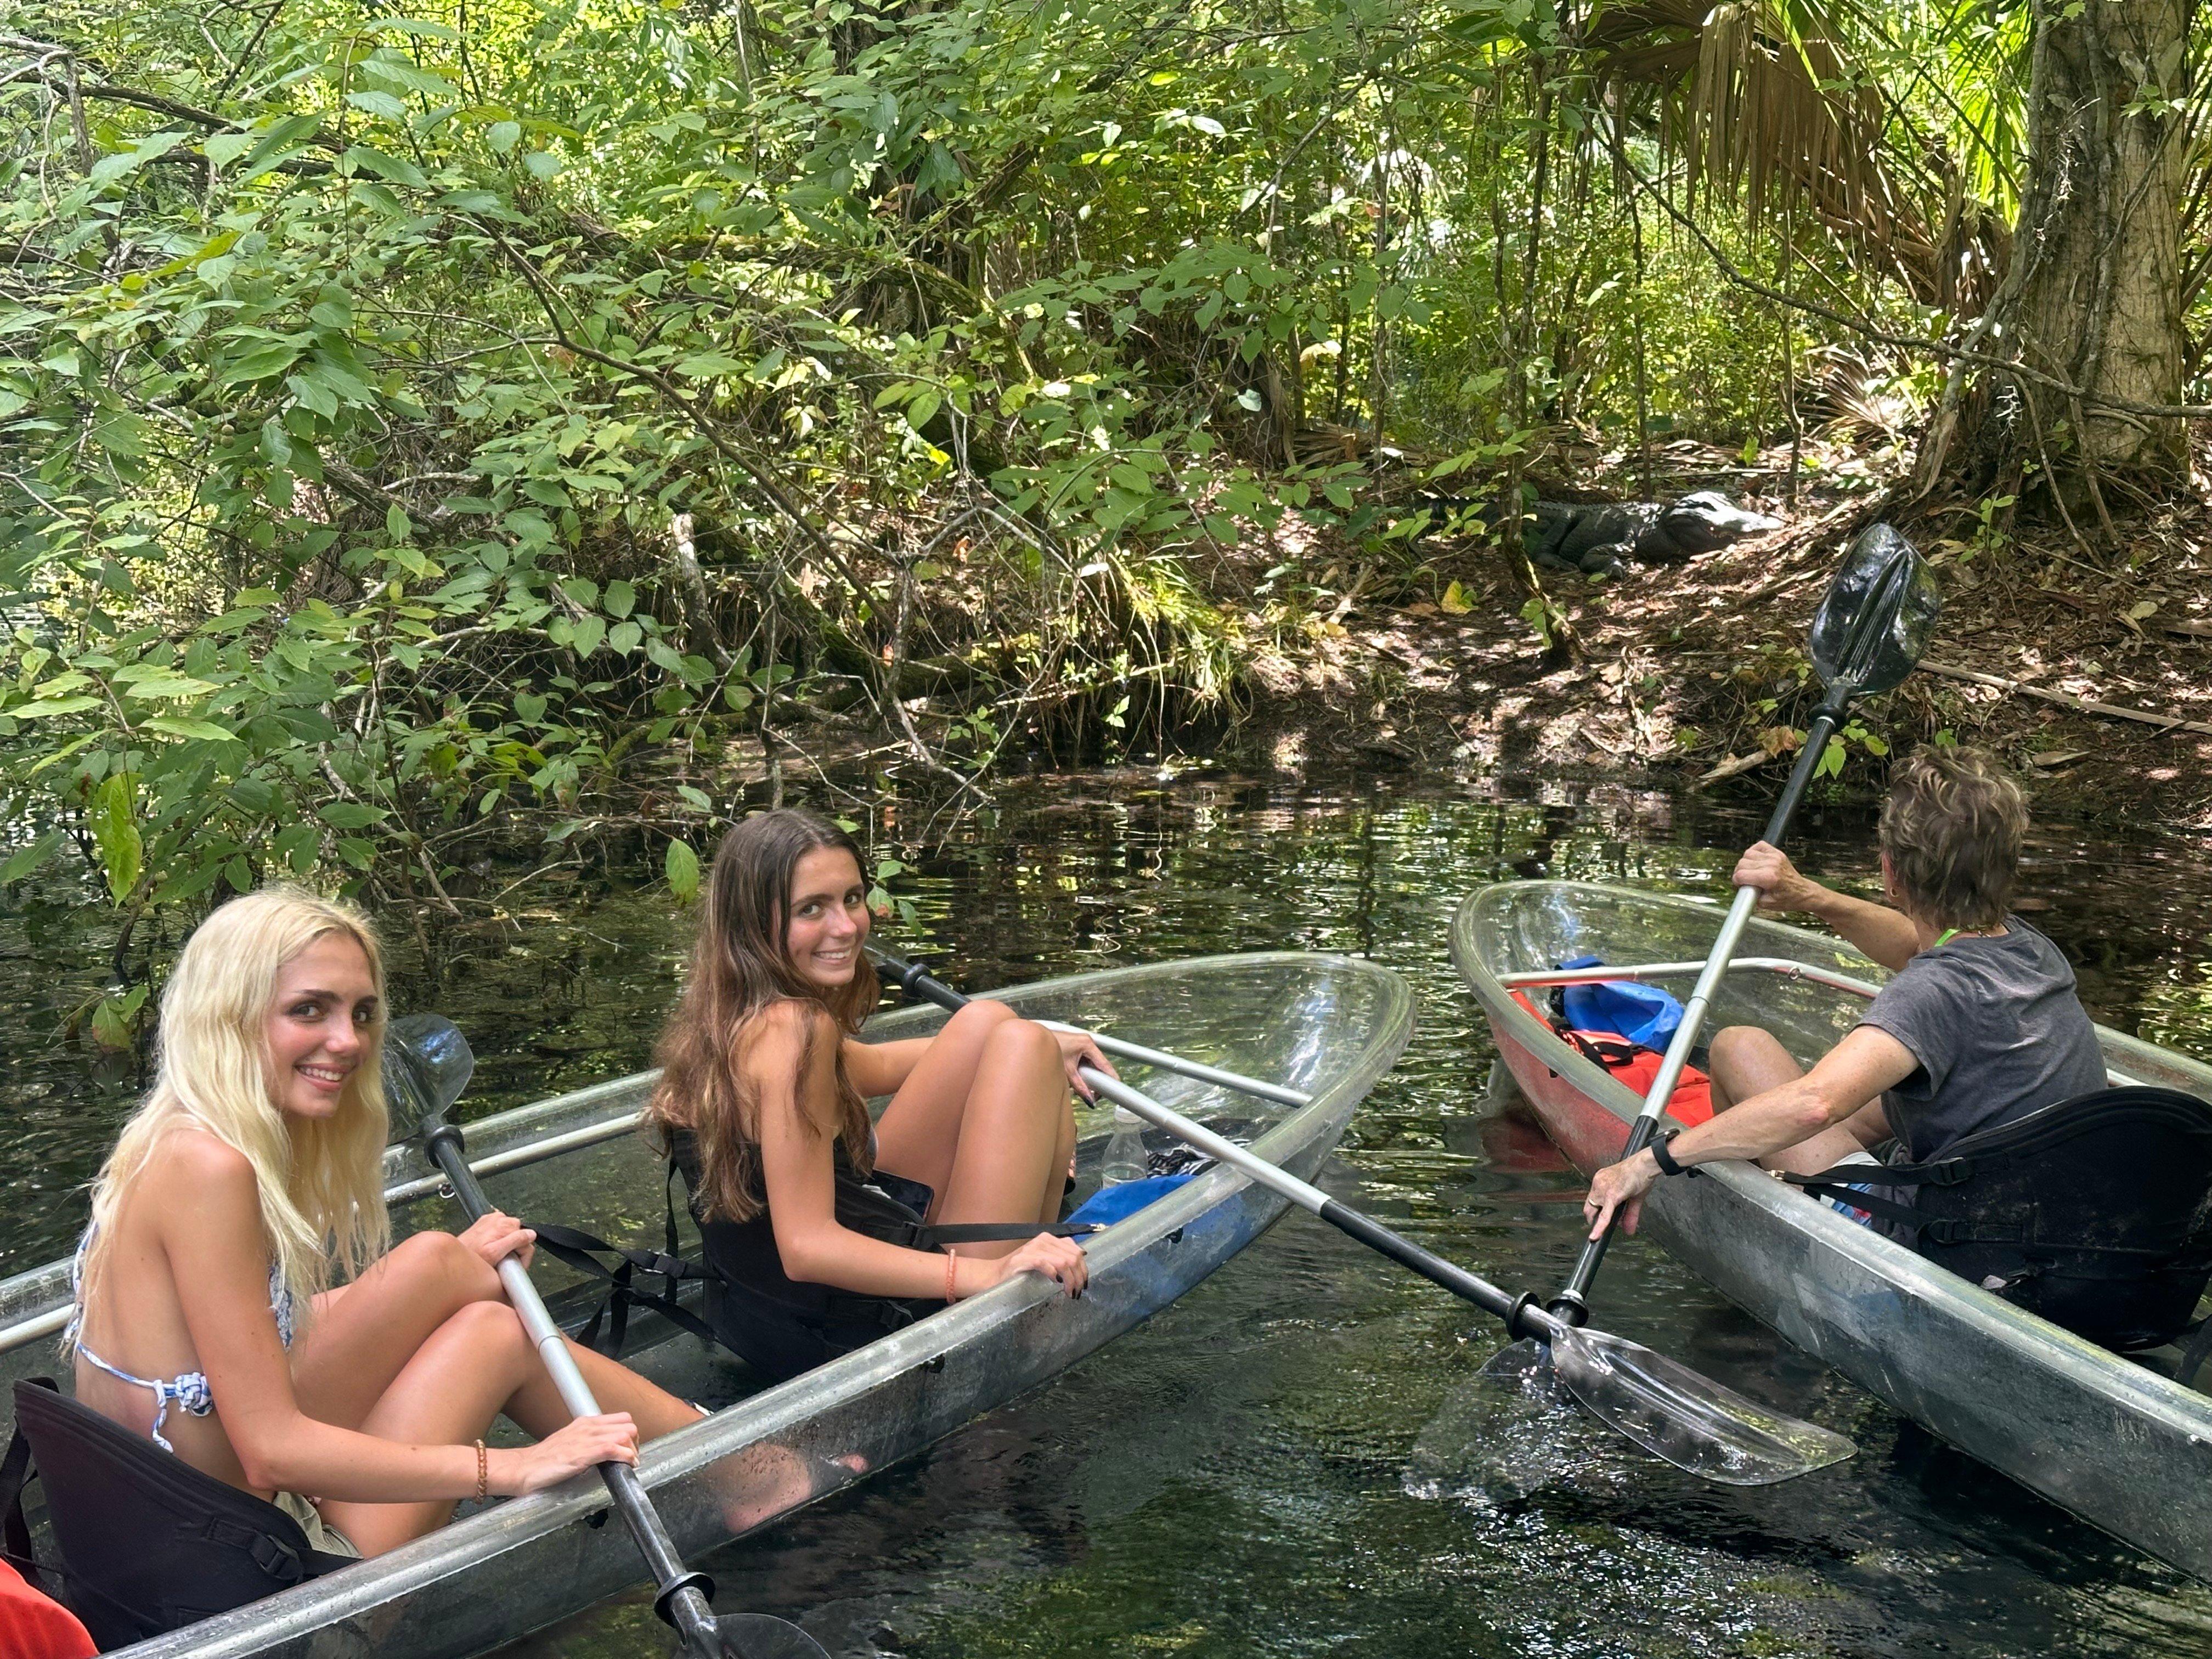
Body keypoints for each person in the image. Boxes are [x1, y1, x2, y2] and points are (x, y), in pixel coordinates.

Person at [68, 888, 703, 1562]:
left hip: (160, 1530)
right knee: (494, 1335)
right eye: (308, 1010)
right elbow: (271, 1454)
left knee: (439, 1262)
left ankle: (712, 1446)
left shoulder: (167, 1141)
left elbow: (233, 1336)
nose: (348, 1041)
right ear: (229, 1016)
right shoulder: (212, 1170)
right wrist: (510, 1469)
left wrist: (442, 1279)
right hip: (252, 1564)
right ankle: (733, 1459)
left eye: (363, 1012)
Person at [644, 809, 1105, 1383]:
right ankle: (1028, 1277)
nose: (846, 927)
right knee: (1025, 1045)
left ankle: (1038, 1170)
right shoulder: (796, 1031)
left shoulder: (728, 1016)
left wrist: (1022, 1041)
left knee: (991, 1021)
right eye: (812, 909)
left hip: (757, 1318)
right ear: (753, 923)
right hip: (847, 1330)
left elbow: (879, 1063)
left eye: (852, 898)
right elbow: (807, 1247)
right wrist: (984, 1276)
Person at [1583, 744, 2107, 1243]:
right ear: (2005, 865)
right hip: (2045, 1219)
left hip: (1942, 1239)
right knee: (1873, 1093)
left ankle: (1747, 1225)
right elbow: (1915, 943)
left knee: (1736, 1048)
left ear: (1890, 874)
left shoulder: (1931, 990)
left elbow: (1814, 1106)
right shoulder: (2028, 950)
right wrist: (1809, 897)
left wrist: (1650, 1160)